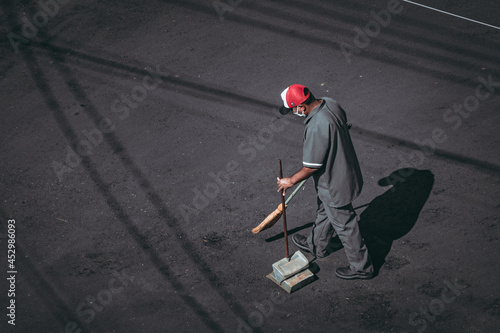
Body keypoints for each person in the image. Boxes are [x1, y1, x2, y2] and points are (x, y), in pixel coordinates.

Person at [277, 84, 374, 280]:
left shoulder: (316, 126)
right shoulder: (330, 103)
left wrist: (291, 181)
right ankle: (316, 245)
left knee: (346, 226)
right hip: (345, 172)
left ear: (302, 107)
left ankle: (362, 267)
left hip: (334, 184)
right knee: (325, 211)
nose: (295, 112)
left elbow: (311, 166)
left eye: (293, 109)